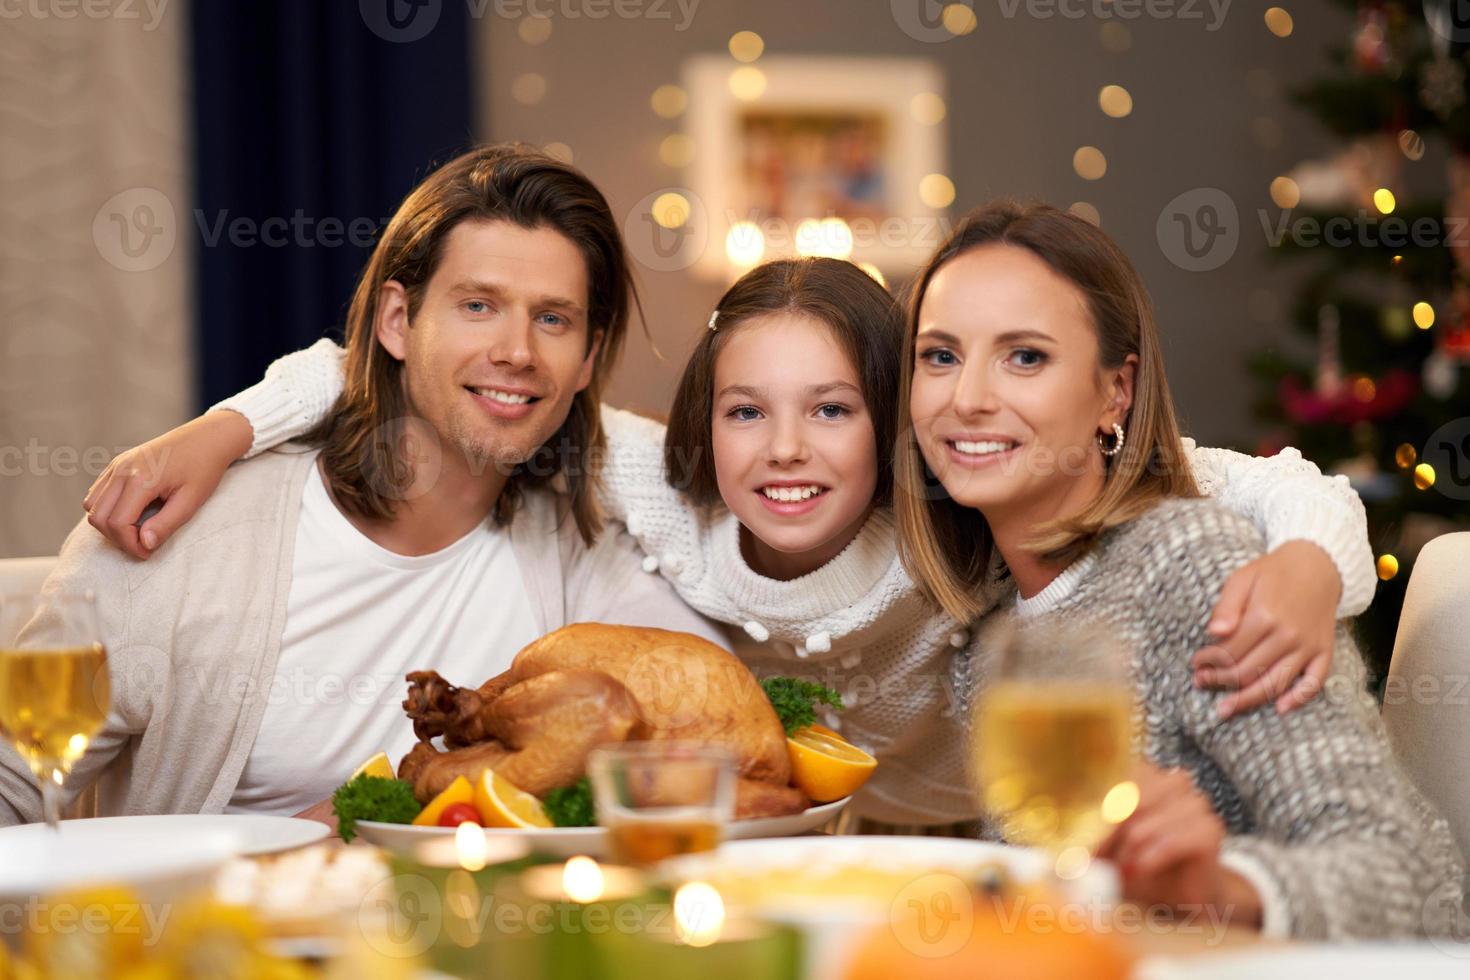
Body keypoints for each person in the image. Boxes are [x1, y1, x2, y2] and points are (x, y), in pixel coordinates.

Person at [86, 252, 1377, 831]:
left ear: (893, 423)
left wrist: (1317, 561)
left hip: (972, 843)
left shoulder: (956, 502)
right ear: (704, 421)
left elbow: (1256, 479)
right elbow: (402, 361)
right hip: (796, 853)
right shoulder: (664, 492)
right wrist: (221, 429)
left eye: (831, 412)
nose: (785, 451)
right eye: (747, 411)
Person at [0, 144, 723, 826]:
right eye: (478, 305)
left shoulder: (579, 548)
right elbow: (13, 784)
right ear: (398, 322)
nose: (516, 351)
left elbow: (709, 724)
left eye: (553, 319)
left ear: (588, 359)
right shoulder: (182, 536)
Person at [896, 199, 1464, 937]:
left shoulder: (1187, 566)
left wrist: (1214, 885)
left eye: (1025, 356)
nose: (966, 399)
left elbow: (1409, 880)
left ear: (1116, 393)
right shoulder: (993, 627)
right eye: (940, 356)